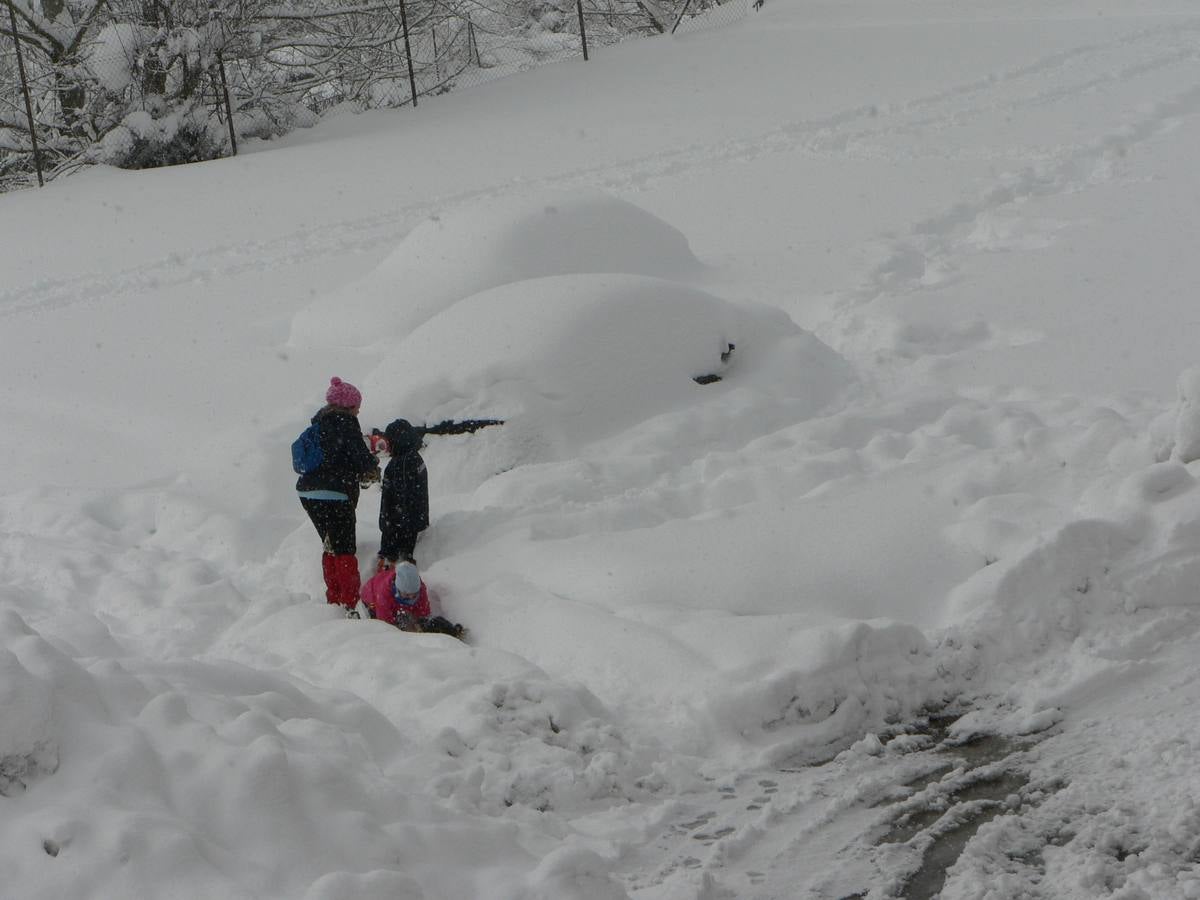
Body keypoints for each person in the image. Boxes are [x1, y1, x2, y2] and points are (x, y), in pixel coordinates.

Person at [296, 377, 380, 615]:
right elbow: (362, 460)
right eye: (357, 406)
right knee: (344, 549)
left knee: (330, 545)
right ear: (348, 406)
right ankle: (350, 603)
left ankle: (333, 600)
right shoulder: (347, 424)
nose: (359, 410)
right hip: (335, 494)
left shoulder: (318, 424)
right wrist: (372, 464)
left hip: (308, 492)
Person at [377, 418, 429, 570]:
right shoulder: (414, 458)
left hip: (401, 526)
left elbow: (400, 500)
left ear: (397, 440)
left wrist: (390, 529)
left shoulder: (402, 463)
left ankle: (389, 575)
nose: (387, 445)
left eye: (389, 440)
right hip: (411, 521)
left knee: (398, 564)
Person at [361, 561, 465, 637]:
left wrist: (424, 627)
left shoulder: (420, 589)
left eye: (414, 595)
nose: (411, 598)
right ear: (397, 589)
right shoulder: (384, 595)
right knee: (388, 625)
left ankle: (452, 632)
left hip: (395, 598)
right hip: (371, 598)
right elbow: (385, 626)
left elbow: (424, 615)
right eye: (406, 595)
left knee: (426, 622)